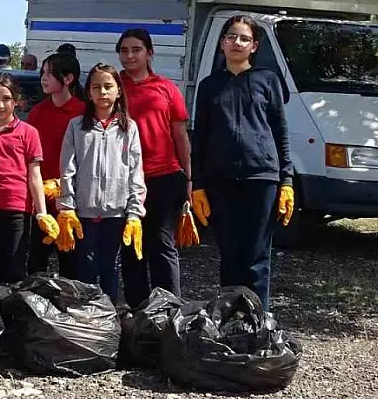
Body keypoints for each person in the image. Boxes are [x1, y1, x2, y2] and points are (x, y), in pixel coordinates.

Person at [191, 16, 294, 311]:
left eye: (244, 39)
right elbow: (201, 136)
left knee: (257, 255)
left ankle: (257, 320)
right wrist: (198, 184)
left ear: (254, 46)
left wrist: (286, 180)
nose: (237, 43)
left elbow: (281, 132)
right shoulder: (210, 86)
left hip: (261, 178)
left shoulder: (268, 80)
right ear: (222, 43)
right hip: (220, 180)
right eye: (231, 37)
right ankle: (231, 316)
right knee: (230, 254)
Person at [116, 28, 193, 309]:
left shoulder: (166, 88)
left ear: (150, 53)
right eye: (124, 51)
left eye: (136, 49)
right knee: (131, 248)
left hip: (164, 176)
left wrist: (188, 178)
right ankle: (138, 312)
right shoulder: (113, 86)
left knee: (162, 246)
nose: (129, 56)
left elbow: (180, 136)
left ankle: (169, 310)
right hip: (124, 180)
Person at [55, 63, 146, 302]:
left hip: (116, 213)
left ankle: (109, 318)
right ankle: (87, 320)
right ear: (88, 92)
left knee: (110, 268)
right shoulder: (76, 126)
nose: (103, 92)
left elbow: (135, 172)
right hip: (83, 212)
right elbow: (67, 168)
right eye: (96, 87)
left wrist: (134, 212)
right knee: (85, 267)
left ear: (118, 91)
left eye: (108, 86)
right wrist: (67, 206)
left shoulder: (130, 128)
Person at [0, 73, 59, 284]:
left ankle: (12, 315)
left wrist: (42, 214)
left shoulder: (28, 133)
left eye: (6, 98)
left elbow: (35, 176)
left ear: (17, 101)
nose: (1, 104)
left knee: (14, 269)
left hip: (17, 212)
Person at [27, 53, 85, 278]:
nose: (44, 78)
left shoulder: (83, 112)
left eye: (50, 73)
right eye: (43, 72)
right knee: (35, 264)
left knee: (71, 266)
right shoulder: (38, 112)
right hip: (40, 201)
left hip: (71, 202)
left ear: (68, 78)